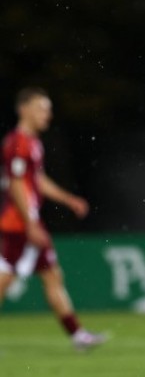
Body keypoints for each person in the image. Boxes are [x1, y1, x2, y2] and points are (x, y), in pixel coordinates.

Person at [0, 87, 108, 351]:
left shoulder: (33, 143)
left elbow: (36, 180)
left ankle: (78, 335)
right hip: (18, 224)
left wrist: (68, 200)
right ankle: (78, 335)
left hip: (29, 222)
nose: (46, 114)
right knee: (5, 280)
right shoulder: (18, 142)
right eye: (40, 108)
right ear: (23, 109)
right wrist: (30, 224)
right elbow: (16, 185)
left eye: (47, 109)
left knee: (52, 276)